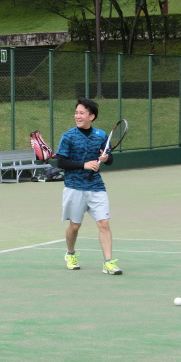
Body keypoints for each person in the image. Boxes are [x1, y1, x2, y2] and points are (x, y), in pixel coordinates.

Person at [55, 98, 122, 275]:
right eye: (76, 112)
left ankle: (108, 262)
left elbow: (109, 159)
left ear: (91, 116)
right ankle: (70, 254)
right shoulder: (68, 136)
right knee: (75, 226)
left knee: (104, 223)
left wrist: (106, 158)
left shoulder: (101, 135)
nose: (77, 116)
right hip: (74, 186)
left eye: (82, 113)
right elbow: (60, 162)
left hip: (96, 186)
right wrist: (83, 165)